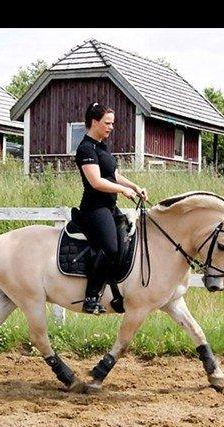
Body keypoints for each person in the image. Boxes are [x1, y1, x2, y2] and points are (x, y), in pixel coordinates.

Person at [74, 102, 149, 314]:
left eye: (112, 123)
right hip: (94, 208)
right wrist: (122, 191)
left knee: (127, 243)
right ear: (94, 121)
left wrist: (134, 186)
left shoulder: (101, 146)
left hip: (109, 206)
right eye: (107, 123)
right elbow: (96, 182)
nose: (111, 127)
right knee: (110, 248)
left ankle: (116, 293)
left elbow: (112, 175)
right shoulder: (85, 149)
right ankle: (90, 297)